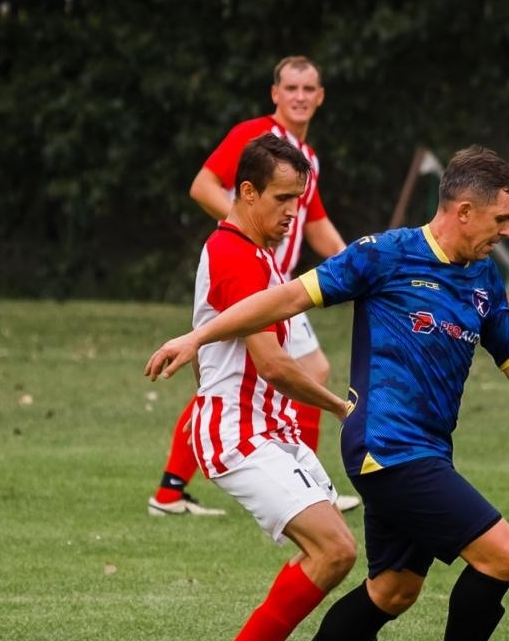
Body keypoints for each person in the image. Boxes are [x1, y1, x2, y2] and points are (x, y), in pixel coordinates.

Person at [147, 146, 509, 641]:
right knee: (504, 553)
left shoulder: (482, 277)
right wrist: (197, 337)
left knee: (394, 590)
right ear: (464, 210)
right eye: (501, 219)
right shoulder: (386, 255)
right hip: (386, 445)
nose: (508, 231)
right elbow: (288, 297)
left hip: (428, 447)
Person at [185, 132, 361, 641]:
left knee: (334, 554)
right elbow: (273, 365)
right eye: (284, 199)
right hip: (238, 433)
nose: (294, 212)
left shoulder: (258, 252)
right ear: (247, 191)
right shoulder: (235, 254)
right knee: (334, 548)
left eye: (301, 200)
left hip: (271, 429)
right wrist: (340, 407)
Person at [151, 55, 360, 516]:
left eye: (309, 89)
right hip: (256, 277)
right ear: (275, 94)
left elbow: (317, 223)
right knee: (254, 377)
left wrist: (358, 268)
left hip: (281, 285)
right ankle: (180, 487)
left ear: (321, 97)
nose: (300, 97)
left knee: (293, 371)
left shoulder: (304, 160)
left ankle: (301, 481)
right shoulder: (257, 139)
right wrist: (241, 232)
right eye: (291, 88)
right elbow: (203, 184)